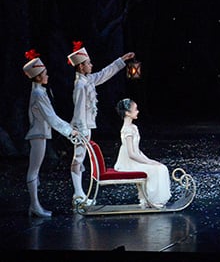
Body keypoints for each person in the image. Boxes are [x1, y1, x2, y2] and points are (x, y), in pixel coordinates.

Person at [68, 41, 136, 206]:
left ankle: (79, 194)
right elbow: (78, 109)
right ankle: (78, 194)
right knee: (78, 159)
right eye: (88, 63)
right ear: (81, 67)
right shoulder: (80, 85)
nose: (91, 65)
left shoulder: (88, 80)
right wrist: (80, 130)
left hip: (87, 126)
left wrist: (122, 60)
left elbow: (104, 74)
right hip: (82, 127)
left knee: (80, 159)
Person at [23, 50, 79, 217]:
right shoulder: (38, 93)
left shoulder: (40, 91)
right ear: (38, 76)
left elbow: (51, 117)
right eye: (45, 73)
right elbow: (51, 117)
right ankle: (35, 206)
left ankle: (34, 205)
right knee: (34, 170)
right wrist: (69, 131)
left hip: (41, 134)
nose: (47, 76)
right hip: (38, 134)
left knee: (35, 170)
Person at [114, 98, 171, 208]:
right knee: (157, 169)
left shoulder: (133, 127)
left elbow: (137, 150)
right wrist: (148, 162)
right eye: (135, 109)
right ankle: (151, 200)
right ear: (127, 113)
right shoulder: (127, 130)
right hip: (128, 162)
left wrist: (149, 160)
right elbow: (131, 154)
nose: (137, 111)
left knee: (161, 167)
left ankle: (151, 200)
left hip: (136, 158)